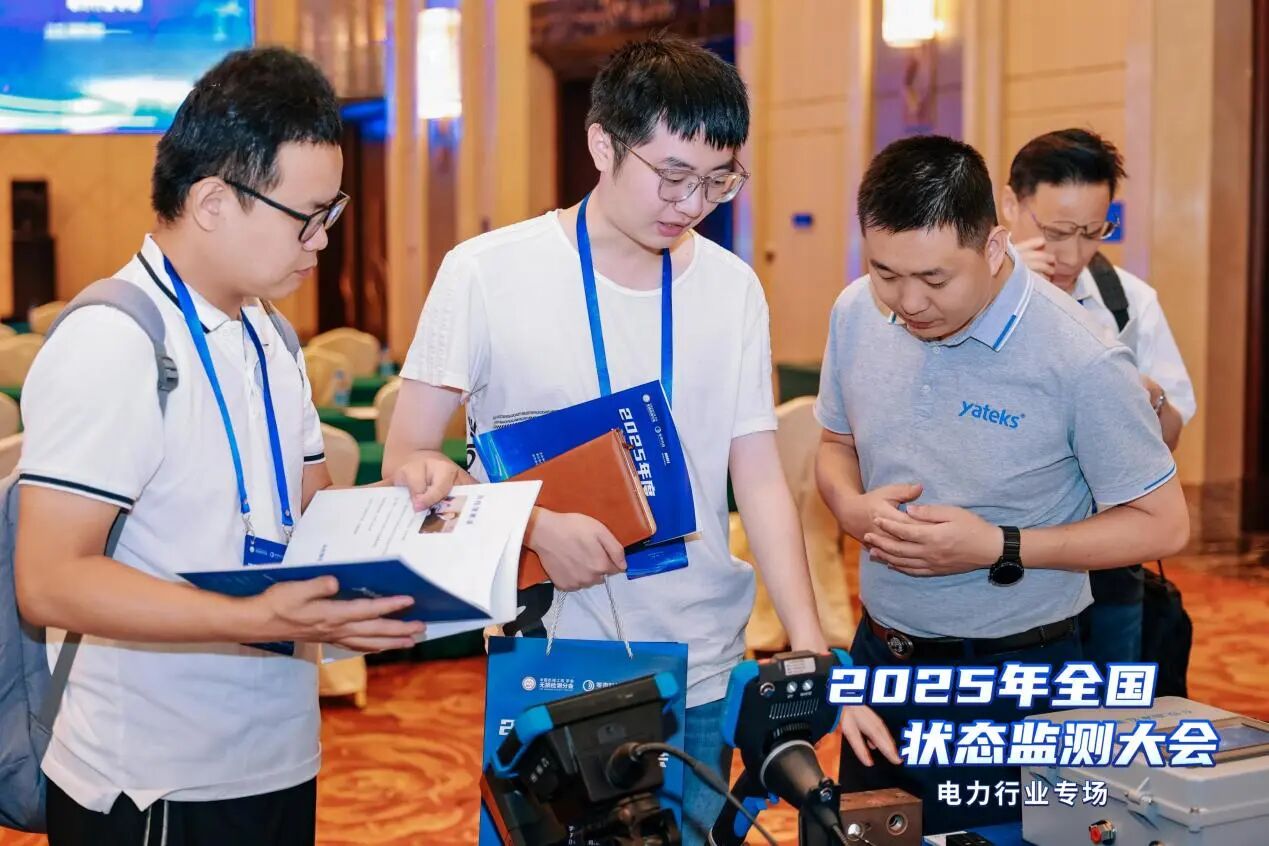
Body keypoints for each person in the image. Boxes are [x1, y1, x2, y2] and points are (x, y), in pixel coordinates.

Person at [383, 34, 897, 843]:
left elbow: (757, 474)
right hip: (554, 651)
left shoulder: (730, 288)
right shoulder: (485, 273)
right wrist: (533, 526)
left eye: (717, 180)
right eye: (672, 175)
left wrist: (809, 644)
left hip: (701, 650)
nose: (691, 203)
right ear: (602, 145)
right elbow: (406, 460)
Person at [15, 47, 457, 846]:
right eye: (305, 217)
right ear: (214, 201)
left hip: (275, 751)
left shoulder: (270, 335)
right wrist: (252, 613)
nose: (320, 241)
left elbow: (312, 514)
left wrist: (406, 493)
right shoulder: (115, 340)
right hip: (151, 777)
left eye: (330, 214)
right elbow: (49, 581)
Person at [815, 135, 1189, 834]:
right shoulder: (856, 312)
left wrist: (999, 545)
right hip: (882, 660)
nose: (907, 302)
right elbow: (835, 444)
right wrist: (850, 505)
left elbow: (1162, 523)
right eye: (885, 272)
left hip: (1016, 679)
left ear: (992, 246)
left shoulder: (1079, 356)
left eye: (934, 279)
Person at [1000, 128, 1197, 666]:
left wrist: (1145, 399)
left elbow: (1170, 436)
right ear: (1011, 204)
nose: (1074, 253)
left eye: (1093, 232)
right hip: (999, 556)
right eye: (1057, 231)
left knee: (1108, 705)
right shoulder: (965, 295)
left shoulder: (1127, 301)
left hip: (1110, 559)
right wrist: (1011, 294)